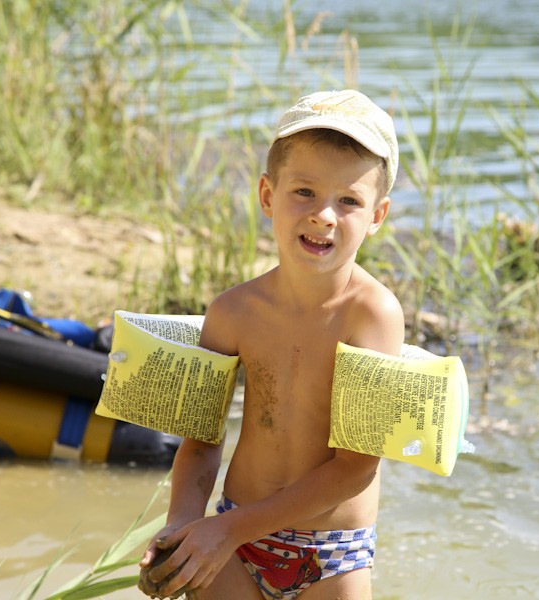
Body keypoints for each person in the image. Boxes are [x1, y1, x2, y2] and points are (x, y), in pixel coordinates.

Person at [139, 89, 405, 600]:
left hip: (332, 552)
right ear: (267, 195)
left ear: (377, 216)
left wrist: (227, 531)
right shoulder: (233, 312)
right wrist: (182, 526)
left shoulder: (373, 314)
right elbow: (201, 442)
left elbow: (355, 469)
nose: (324, 215)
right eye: (303, 191)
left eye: (348, 200)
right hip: (235, 539)